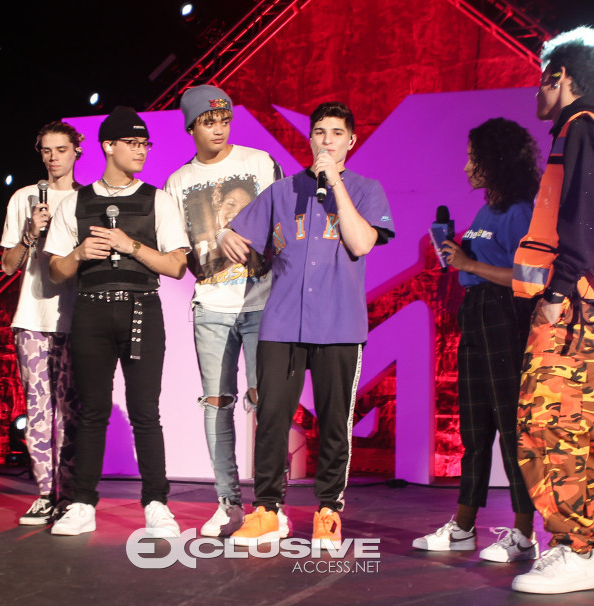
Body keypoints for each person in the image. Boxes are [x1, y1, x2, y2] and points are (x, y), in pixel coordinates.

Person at [220, 101, 394, 547]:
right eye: (320, 132)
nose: (327, 141)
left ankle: (328, 510)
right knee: (272, 417)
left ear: (351, 141)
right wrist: (225, 234)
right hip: (282, 323)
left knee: (335, 421)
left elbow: (361, 242)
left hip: (340, 324)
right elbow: (239, 233)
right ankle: (267, 510)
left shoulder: (366, 189)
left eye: (336, 133)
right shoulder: (283, 191)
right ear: (310, 138)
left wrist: (334, 183)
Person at [509, 27, 594, 594]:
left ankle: (573, 547)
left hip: (574, 308)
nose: (537, 93)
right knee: (591, 431)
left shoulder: (582, 126)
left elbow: (588, 211)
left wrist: (557, 293)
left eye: (542, 81)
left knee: (546, 428)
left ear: (560, 78)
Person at [44, 106, 190, 537]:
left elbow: (177, 266)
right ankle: (81, 503)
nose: (141, 151)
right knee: (92, 411)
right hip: (90, 311)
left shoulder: (158, 200)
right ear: (108, 146)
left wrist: (131, 247)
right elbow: (55, 272)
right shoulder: (76, 202)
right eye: (132, 143)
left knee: (145, 411)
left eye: (145, 143)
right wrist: (77, 255)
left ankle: (156, 503)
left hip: (142, 310)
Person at [412, 118, 540, 561]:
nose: (467, 167)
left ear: (495, 161)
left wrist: (470, 263)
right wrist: (459, 258)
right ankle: (463, 526)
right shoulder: (488, 210)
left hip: (505, 315)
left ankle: (524, 533)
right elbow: (480, 262)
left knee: (512, 428)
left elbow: (529, 278)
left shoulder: (520, 211)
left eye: (473, 158)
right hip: (476, 313)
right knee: (473, 428)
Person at [164, 85, 282, 537]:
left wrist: (256, 242)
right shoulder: (178, 182)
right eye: (208, 121)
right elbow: (177, 248)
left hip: (262, 299)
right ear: (191, 127)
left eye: (224, 120)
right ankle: (228, 503)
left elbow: (285, 223)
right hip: (211, 304)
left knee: (266, 401)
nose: (218, 129)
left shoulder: (259, 163)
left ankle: (270, 505)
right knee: (216, 402)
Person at [0, 121, 84, 525]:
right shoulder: (24, 198)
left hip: (76, 316)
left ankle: (70, 493)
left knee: (71, 409)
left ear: (77, 151)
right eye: (46, 150)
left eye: (61, 149)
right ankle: (45, 493)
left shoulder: (88, 198)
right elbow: (7, 265)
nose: (53, 158)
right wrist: (31, 233)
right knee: (38, 407)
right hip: (33, 315)